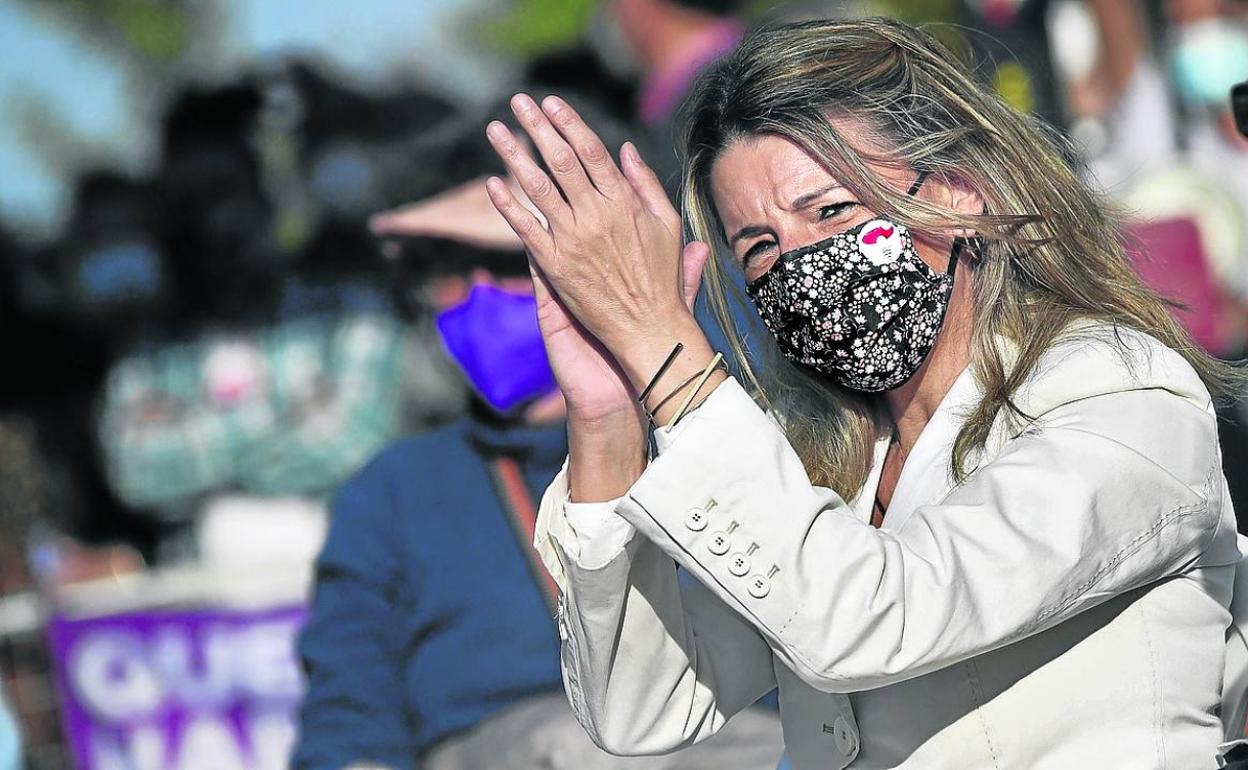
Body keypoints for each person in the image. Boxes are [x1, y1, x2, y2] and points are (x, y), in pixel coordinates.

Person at [481, 16, 1244, 769]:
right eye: (760, 247)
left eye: (830, 211)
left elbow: (873, 616)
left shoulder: (1122, 396)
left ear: (959, 191)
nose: (801, 262)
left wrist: (664, 351)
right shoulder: (824, 454)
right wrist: (611, 417)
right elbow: (642, 707)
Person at [292, 108, 784, 770]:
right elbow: (346, 722)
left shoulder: (726, 438)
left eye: (509, 261)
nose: (477, 295)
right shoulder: (392, 492)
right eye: (445, 269)